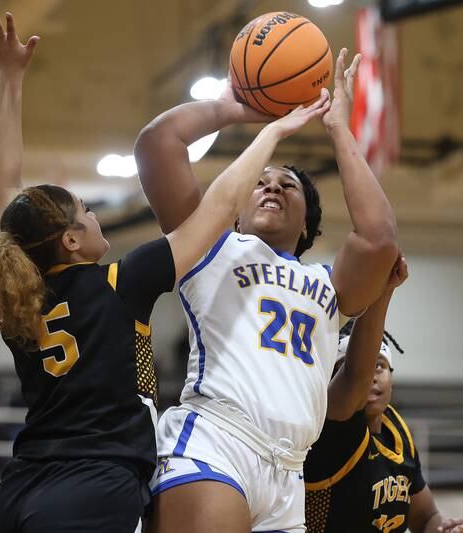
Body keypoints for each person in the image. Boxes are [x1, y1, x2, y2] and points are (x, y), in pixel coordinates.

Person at [0, 9, 330, 533]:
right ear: (70, 240)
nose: (95, 214)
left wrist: (10, 80)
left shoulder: (20, 294)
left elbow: (4, 185)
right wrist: (272, 131)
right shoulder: (121, 282)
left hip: (22, 483)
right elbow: (221, 207)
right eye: (86, 211)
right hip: (94, 480)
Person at [136, 48, 399, 533]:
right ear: (235, 214)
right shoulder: (210, 245)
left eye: (288, 185)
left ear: (307, 225)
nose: (273, 187)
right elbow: (157, 144)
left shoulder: (328, 285)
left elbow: (380, 238)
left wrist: (338, 130)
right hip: (215, 441)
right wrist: (236, 111)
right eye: (260, 182)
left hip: (289, 472)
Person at [304, 256, 463, 533]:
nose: (370, 375)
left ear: (392, 376)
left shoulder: (397, 430)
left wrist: (443, 529)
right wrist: (382, 288)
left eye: (380, 366)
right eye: (345, 367)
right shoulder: (327, 425)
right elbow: (354, 378)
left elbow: (425, 516)